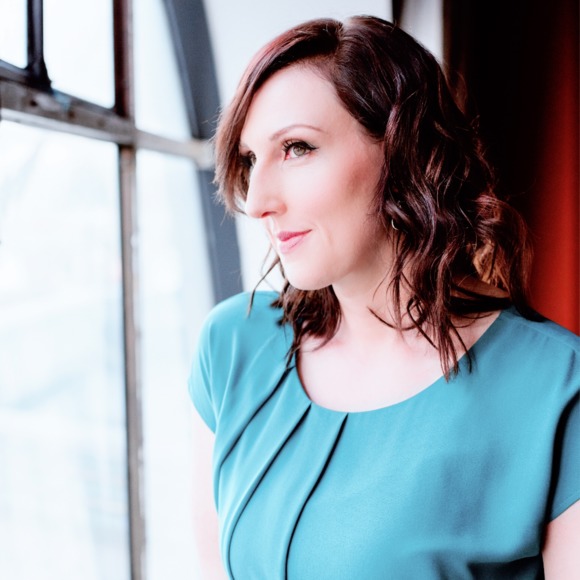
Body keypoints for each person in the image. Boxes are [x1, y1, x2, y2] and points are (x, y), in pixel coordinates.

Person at [188, 15, 579, 579]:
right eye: (251, 160)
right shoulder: (233, 347)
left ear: (403, 151)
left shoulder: (556, 389)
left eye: (296, 148)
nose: (257, 201)